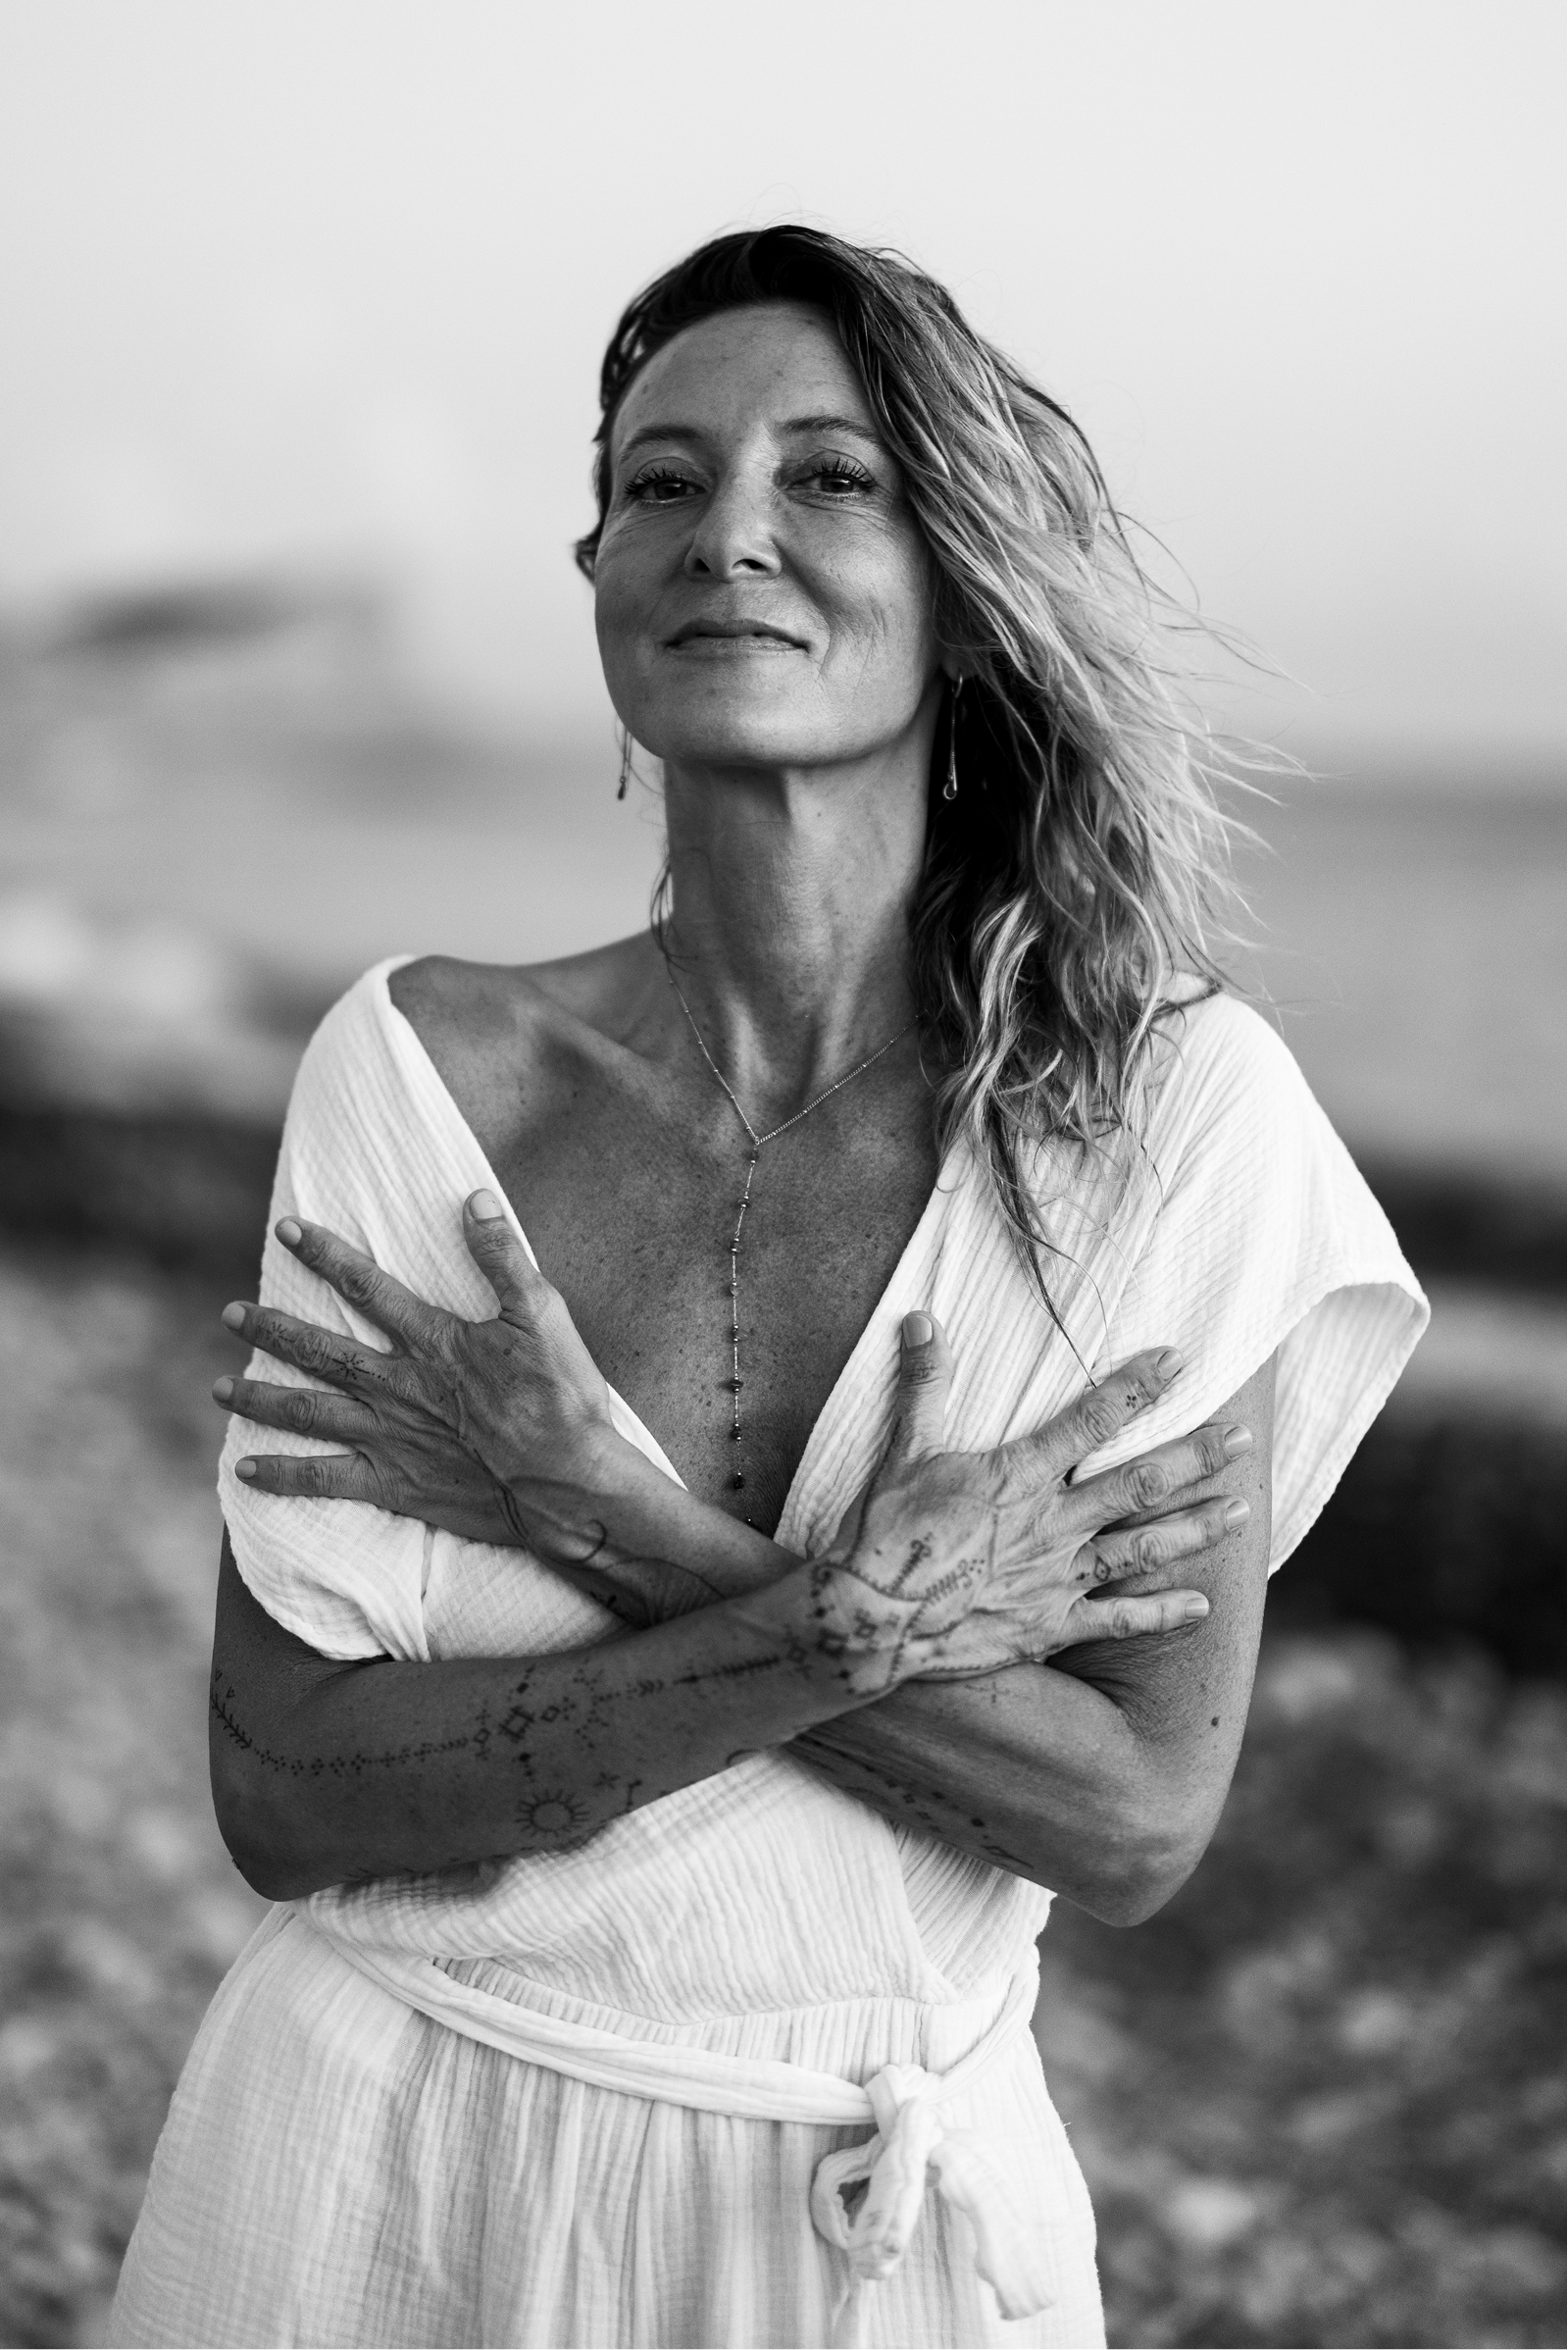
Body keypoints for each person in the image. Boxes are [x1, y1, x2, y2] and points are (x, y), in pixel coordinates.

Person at [111, 227, 1425, 2350]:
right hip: (382, 2164)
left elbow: (1129, 1818)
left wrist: (610, 1520)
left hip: (877, 2228)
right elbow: (287, 1792)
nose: (723, 533)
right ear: (600, 572)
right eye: (658, 480)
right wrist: (847, 1625)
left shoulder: (1169, 1128)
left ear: (961, 579)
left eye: (828, 477)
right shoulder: (425, 1076)